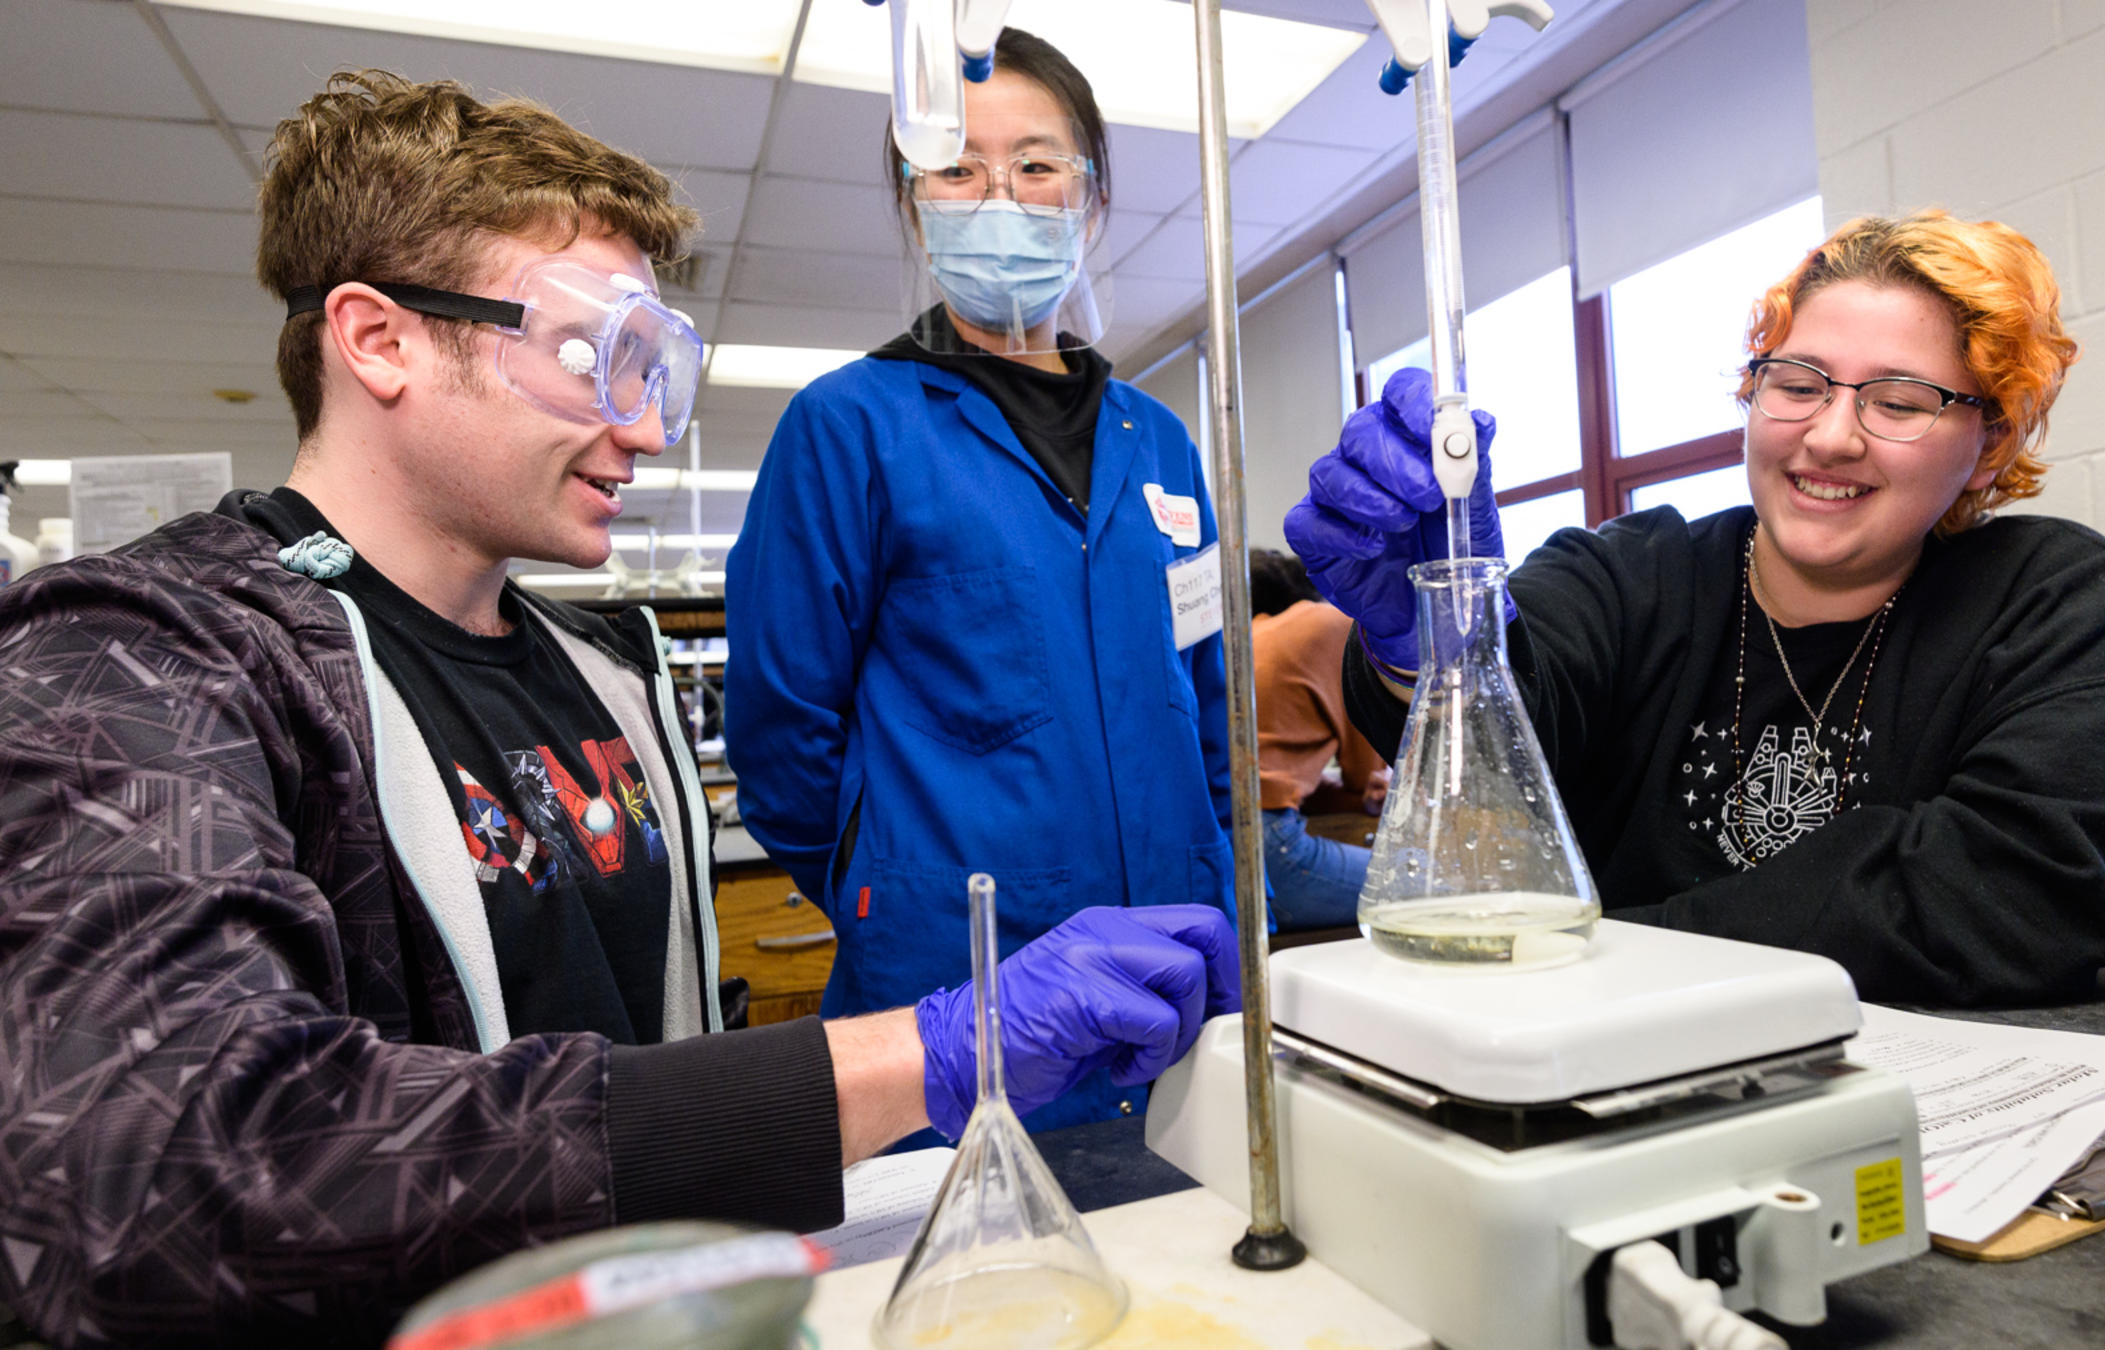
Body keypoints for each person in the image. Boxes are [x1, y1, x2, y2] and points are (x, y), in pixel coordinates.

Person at [0, 71, 1237, 1349]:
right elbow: (137, 1177)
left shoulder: (606, 680)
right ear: (381, 341)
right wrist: (913, 1056)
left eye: (658, 367)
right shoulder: (141, 655)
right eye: (595, 355)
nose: (641, 429)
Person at [1287, 210, 2105, 1004]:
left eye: (1900, 401)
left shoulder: (2047, 597)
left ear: (1988, 446)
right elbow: (1518, 718)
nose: (1830, 437)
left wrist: (1612, 946)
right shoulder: (1631, 574)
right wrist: (1444, 636)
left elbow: (2037, 892)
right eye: (1798, 384)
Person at [724, 29, 1234, 1129]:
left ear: (1090, 203)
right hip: (957, 983)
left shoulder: (1162, 444)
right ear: (917, 206)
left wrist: (1235, 896)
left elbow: (1205, 708)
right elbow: (779, 734)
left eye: (1038, 165)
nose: (1000, 195)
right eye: (959, 167)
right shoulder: (849, 426)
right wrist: (888, 886)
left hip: (1179, 962)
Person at [1249, 549, 1388, 928]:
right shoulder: (1330, 623)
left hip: (1219, 850)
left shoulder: (1246, 639)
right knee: (1442, 884)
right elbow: (1371, 780)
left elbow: (1271, 782)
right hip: (1269, 855)